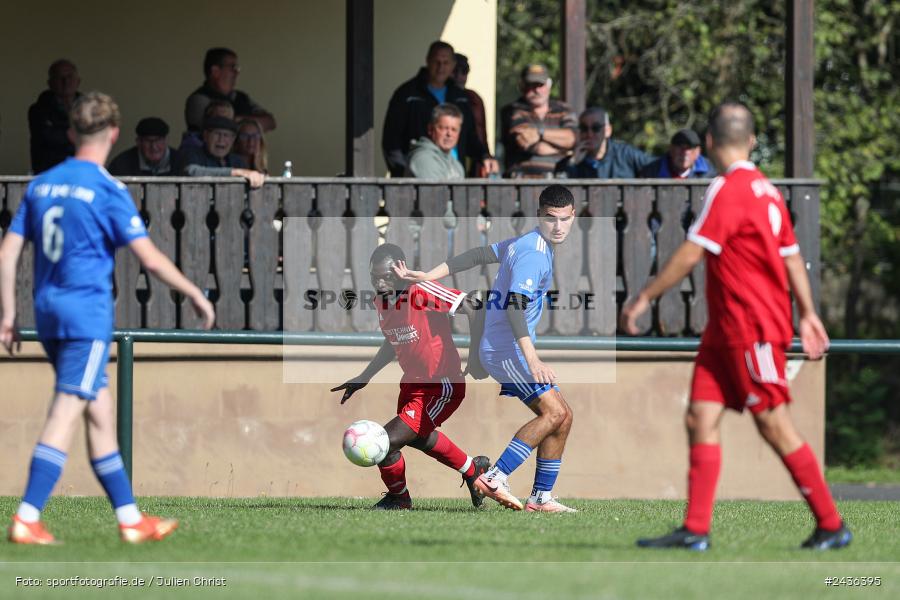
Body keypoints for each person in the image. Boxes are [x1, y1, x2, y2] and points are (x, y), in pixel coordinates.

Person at [620, 102, 852, 551]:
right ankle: (696, 529)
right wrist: (807, 311)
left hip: (752, 327)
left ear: (708, 142)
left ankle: (831, 523)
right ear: (750, 141)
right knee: (700, 416)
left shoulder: (728, 189)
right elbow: (790, 256)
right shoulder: (765, 189)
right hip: (724, 331)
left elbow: (693, 251)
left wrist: (645, 297)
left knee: (774, 424)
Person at [0, 91, 216, 545]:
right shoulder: (108, 190)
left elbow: (9, 251)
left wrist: (8, 313)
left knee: (98, 415)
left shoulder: (41, 185)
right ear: (114, 133)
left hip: (49, 314)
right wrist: (194, 290)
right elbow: (150, 260)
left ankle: (130, 519)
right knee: (65, 412)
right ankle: (27, 515)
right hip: (86, 318)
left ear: (73, 132)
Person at [394, 185, 578, 513]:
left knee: (561, 417)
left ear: (573, 216)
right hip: (507, 351)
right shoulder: (534, 253)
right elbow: (514, 306)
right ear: (539, 216)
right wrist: (531, 357)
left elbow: (478, 255)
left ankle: (541, 497)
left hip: (506, 348)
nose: (558, 226)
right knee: (555, 413)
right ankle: (495, 476)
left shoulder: (528, 243)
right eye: (551, 219)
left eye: (565, 219)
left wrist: (427, 276)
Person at [331, 244, 490, 510]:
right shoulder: (382, 300)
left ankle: (399, 498)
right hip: (412, 386)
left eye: (386, 276)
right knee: (419, 437)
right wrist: (364, 377)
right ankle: (473, 470)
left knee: (384, 441)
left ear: (401, 268)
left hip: (441, 386)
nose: (380, 283)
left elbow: (474, 305)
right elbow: (391, 342)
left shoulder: (421, 289)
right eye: (374, 277)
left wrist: (475, 357)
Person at [381, 40, 498, 177]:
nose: (441, 67)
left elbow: (470, 137)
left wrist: (485, 156)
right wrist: (404, 175)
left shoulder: (461, 97)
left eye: (446, 62)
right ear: (428, 61)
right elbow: (391, 141)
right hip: (419, 175)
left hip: (453, 172)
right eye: (437, 61)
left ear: (453, 65)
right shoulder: (407, 94)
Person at [500, 64, 577, 178]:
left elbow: (573, 138)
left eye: (540, 84)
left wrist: (539, 133)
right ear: (521, 86)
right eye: (531, 85)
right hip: (520, 184)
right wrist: (565, 152)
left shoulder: (564, 110)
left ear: (549, 85)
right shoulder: (512, 110)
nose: (536, 90)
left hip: (559, 182)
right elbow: (529, 144)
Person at [184, 47, 276, 134]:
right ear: (215, 71)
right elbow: (212, 131)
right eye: (233, 67)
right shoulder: (198, 100)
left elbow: (270, 122)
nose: (237, 72)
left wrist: (237, 119)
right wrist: (250, 124)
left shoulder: (241, 97)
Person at [555, 107, 653, 178]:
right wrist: (572, 163)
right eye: (584, 128)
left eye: (596, 128)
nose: (589, 134)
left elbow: (658, 165)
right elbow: (559, 191)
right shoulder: (570, 162)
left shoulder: (625, 154)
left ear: (608, 131)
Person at [179, 115, 265, 188]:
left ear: (233, 139)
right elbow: (192, 171)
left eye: (226, 135)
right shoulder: (193, 153)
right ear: (205, 136)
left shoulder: (236, 161)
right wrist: (235, 172)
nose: (221, 139)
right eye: (217, 134)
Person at [28, 59, 81, 174]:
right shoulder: (39, 109)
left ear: (78, 81)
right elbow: (46, 137)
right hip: (49, 172)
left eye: (69, 76)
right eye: (59, 77)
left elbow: (94, 138)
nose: (65, 81)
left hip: (81, 170)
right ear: (50, 83)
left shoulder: (88, 108)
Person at [406, 104, 466, 179]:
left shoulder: (456, 165)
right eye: (444, 128)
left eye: (454, 129)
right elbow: (433, 191)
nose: (449, 134)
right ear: (430, 129)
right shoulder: (424, 159)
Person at [107, 117, 179, 176]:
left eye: (158, 140)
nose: (154, 147)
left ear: (166, 140)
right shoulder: (121, 165)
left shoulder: (180, 161)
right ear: (138, 142)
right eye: (148, 141)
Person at [640, 129, 714, 179]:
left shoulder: (712, 172)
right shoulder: (652, 171)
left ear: (698, 152)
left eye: (690, 148)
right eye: (680, 147)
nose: (685, 152)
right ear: (671, 149)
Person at [452, 54, 488, 153]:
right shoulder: (438, 95)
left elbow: (481, 132)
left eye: (464, 71)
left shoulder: (473, 98)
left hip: (471, 156)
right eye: (454, 71)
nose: (459, 76)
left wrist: (485, 155)